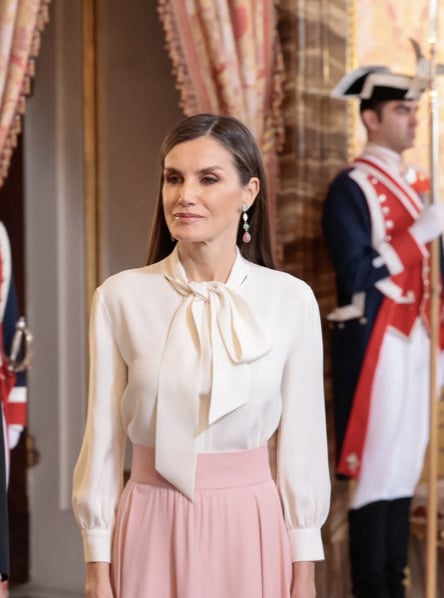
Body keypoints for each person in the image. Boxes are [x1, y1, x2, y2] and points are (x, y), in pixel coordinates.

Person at [72, 113, 330, 598]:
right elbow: (102, 441)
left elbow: (303, 445)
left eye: (208, 179)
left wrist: (304, 573)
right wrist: (97, 567)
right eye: (174, 178)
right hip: (150, 521)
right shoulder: (119, 297)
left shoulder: (291, 300)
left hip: (252, 527)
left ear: (248, 192)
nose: (184, 195)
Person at [322, 65, 444, 598]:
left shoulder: (422, 185)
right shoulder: (351, 187)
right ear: (370, 118)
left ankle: (396, 585)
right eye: (401, 110)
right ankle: (374, 588)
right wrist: (419, 234)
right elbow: (354, 273)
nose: (412, 119)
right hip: (378, 336)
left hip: (420, 335)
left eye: (415, 110)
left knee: (404, 468)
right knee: (375, 474)